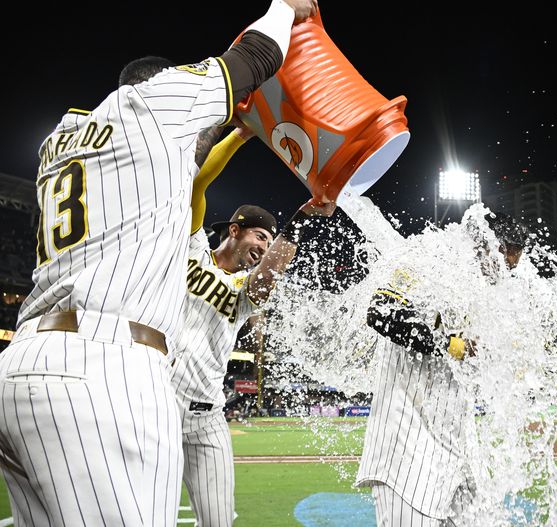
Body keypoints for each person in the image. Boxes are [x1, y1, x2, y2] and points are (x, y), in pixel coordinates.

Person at [0, 1, 318, 524]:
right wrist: (285, 8)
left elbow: (190, 178)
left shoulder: (59, 140)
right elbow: (254, 56)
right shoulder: (148, 108)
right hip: (105, 369)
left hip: (28, 358)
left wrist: (241, 140)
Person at [170, 126, 335, 526]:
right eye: (260, 235)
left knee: (219, 521)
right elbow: (197, 183)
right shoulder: (190, 249)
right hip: (158, 405)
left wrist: (299, 221)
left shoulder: (247, 287)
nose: (264, 246)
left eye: (271, 240)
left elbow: (265, 282)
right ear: (234, 230)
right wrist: (242, 133)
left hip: (208, 417)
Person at [355, 213, 529, 526]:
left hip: (459, 448)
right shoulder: (427, 260)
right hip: (407, 445)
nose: (502, 277)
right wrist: (456, 346)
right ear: (485, 247)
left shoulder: (480, 292)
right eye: (502, 266)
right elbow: (380, 314)